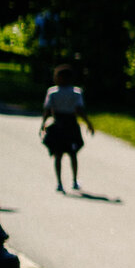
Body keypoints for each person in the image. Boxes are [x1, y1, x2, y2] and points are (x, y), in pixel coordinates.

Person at [40, 64, 88, 192]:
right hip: (71, 124)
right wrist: (88, 123)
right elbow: (79, 109)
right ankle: (74, 180)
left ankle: (59, 182)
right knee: (73, 153)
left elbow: (47, 109)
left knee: (58, 154)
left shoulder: (53, 92)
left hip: (58, 124)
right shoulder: (76, 92)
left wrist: (43, 124)